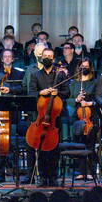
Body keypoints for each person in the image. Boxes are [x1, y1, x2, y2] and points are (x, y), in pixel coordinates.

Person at [25, 45, 70, 186]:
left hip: (55, 118)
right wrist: (41, 93)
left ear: (54, 59)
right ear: (41, 58)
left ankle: (53, 177)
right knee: (42, 149)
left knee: (54, 148)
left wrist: (58, 94)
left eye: (50, 57)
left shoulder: (60, 75)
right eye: (45, 57)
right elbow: (31, 93)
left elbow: (67, 93)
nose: (47, 59)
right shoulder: (35, 75)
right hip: (41, 117)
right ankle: (43, 177)